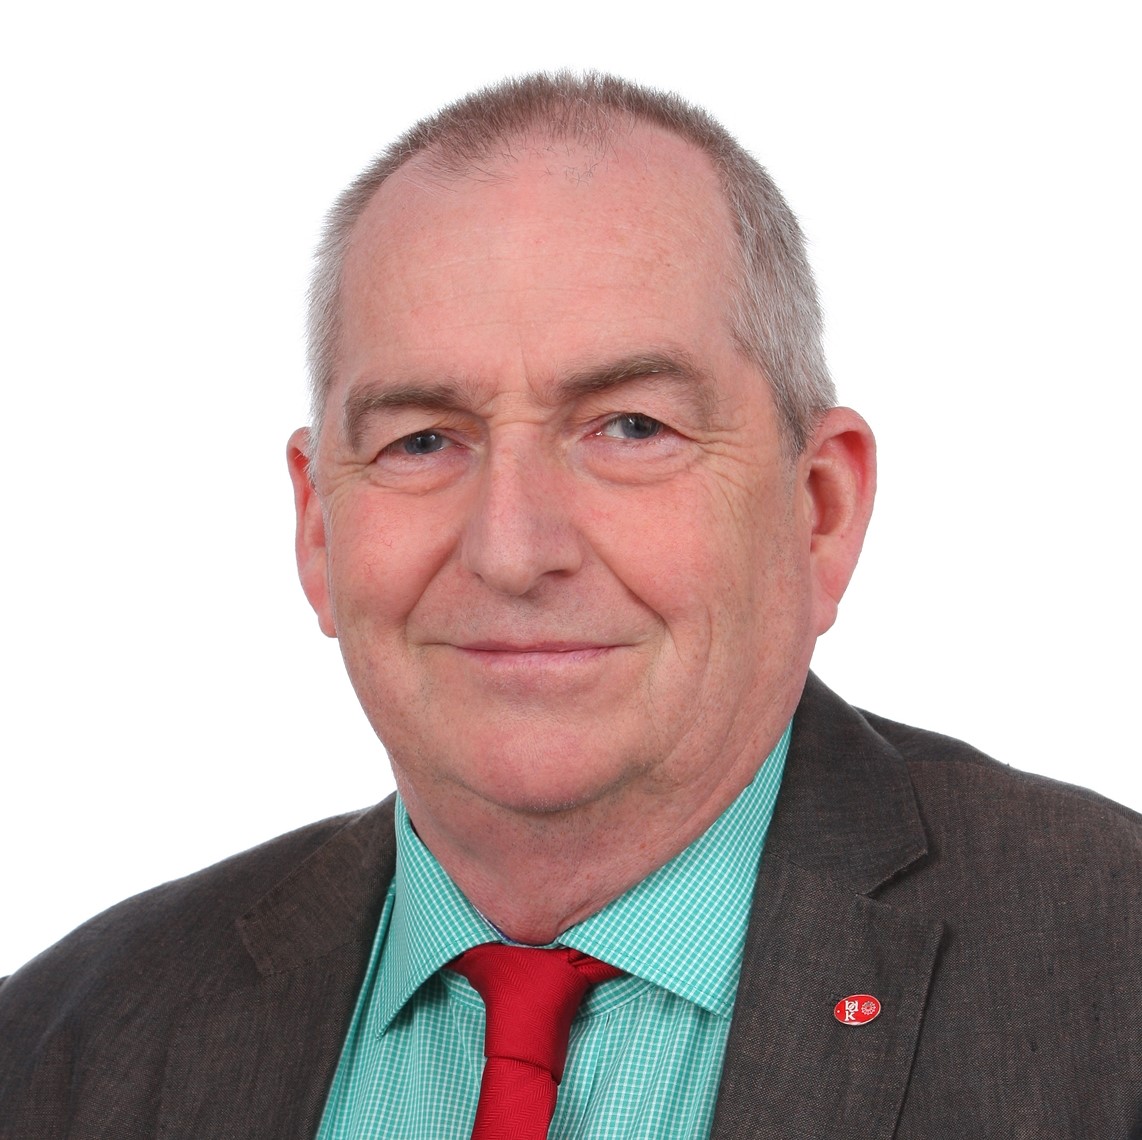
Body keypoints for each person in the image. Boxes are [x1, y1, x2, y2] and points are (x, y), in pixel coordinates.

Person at [1, 71, 1139, 1140]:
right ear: (317, 526)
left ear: (818, 510)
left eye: (631, 428)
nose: (511, 550)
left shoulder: (1107, 970)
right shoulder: (61, 1049)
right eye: (422, 441)